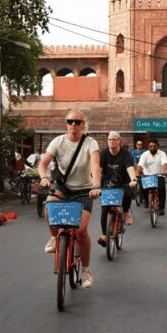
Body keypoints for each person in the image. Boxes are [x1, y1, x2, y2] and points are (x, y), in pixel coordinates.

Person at [38, 110, 101, 288]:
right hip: (62, 187)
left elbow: (96, 166)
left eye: (77, 122)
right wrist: (44, 177)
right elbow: (43, 164)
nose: (74, 125)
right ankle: (53, 238)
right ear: (66, 123)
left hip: (84, 190)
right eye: (70, 121)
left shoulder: (90, 143)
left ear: (83, 125)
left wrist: (96, 186)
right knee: (49, 206)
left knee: (81, 231)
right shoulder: (57, 142)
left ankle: (86, 270)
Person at [97, 131, 138, 246]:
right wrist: (95, 183)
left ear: (120, 141)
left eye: (114, 139)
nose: (112, 142)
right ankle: (104, 234)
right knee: (105, 209)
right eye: (110, 139)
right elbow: (98, 170)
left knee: (128, 194)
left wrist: (133, 180)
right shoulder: (103, 154)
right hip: (107, 183)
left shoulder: (126, 154)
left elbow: (130, 168)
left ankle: (125, 212)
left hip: (123, 182)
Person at [137, 139, 167, 216]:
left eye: (154, 146)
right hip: (147, 175)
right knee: (143, 187)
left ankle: (161, 208)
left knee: (161, 189)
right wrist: (137, 174)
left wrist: (165, 170)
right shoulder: (145, 154)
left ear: (157, 146)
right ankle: (146, 200)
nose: (152, 148)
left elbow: (164, 163)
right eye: (150, 146)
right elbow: (140, 165)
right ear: (148, 147)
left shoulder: (162, 153)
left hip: (159, 175)